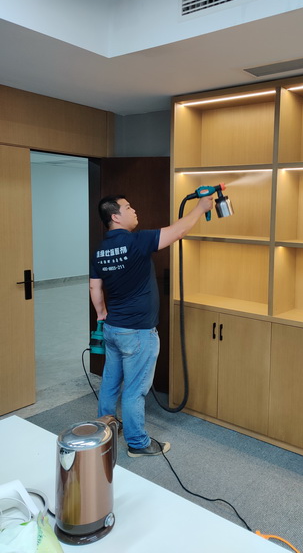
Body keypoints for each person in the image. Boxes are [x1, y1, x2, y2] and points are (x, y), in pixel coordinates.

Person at [89, 193, 213, 457]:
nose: (134, 210)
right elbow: (178, 231)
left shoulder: (100, 250)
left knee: (110, 383)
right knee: (134, 390)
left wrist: (101, 314)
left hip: (113, 329)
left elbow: (94, 287)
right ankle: (138, 443)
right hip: (137, 333)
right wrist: (200, 208)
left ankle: (105, 430)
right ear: (115, 216)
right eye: (128, 207)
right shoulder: (137, 241)